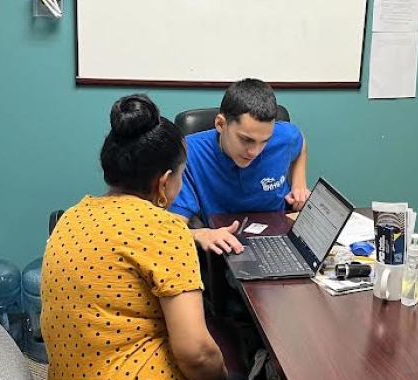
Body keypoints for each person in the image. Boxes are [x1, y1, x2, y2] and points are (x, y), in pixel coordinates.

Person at [41, 94, 234, 380]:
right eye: (182, 176)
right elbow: (197, 354)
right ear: (164, 182)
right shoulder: (165, 230)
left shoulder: (69, 217)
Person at [169, 78, 310, 254]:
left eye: (264, 141)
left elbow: (300, 142)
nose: (254, 152)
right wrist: (199, 235)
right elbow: (171, 231)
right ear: (221, 124)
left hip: (280, 240)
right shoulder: (189, 154)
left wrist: (299, 184)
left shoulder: (284, 136)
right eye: (246, 140)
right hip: (227, 248)